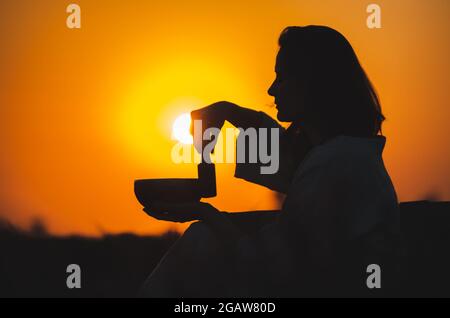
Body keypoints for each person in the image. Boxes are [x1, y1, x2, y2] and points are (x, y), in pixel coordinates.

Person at [140, 25, 400, 297]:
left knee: (201, 240)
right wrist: (229, 112)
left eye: (282, 78)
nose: (271, 90)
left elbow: (272, 269)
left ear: (313, 83)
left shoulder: (335, 163)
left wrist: (205, 214)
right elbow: (291, 159)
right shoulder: (342, 155)